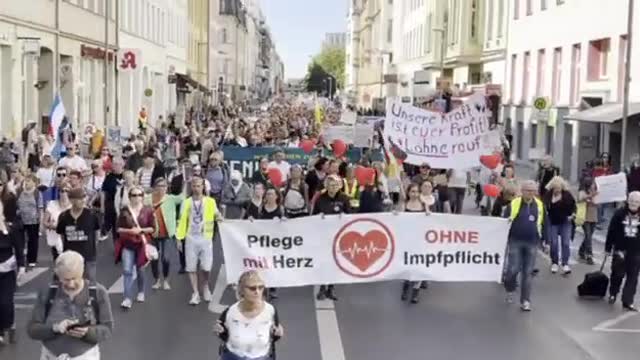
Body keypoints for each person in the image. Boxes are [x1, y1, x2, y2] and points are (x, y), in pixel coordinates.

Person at [27, 250, 114, 359]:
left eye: (74, 278)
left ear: (82, 272)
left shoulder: (98, 292)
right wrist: (55, 328)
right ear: (58, 275)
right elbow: (32, 329)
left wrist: (88, 332)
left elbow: (107, 328)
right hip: (50, 356)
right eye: (66, 280)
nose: (71, 284)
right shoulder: (47, 292)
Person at [214, 270, 284, 360]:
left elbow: (273, 336)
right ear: (242, 290)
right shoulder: (230, 312)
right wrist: (219, 331)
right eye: (252, 288)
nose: (257, 292)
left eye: (260, 287)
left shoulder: (270, 310)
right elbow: (223, 335)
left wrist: (278, 334)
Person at [176, 176, 219, 305]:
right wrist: (179, 238)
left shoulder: (210, 202)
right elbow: (182, 220)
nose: (196, 188)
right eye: (194, 186)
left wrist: (221, 217)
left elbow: (216, 215)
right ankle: (195, 293)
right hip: (191, 238)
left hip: (205, 238)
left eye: (199, 186)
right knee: (191, 267)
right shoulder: (187, 202)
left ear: (203, 187)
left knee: (206, 267)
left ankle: (205, 286)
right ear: (191, 187)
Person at [503, 180, 544, 312]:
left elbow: (544, 222)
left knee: (527, 273)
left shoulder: (539, 205)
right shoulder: (514, 204)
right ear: (522, 191)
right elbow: (504, 222)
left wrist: (546, 241)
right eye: (528, 190)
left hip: (532, 242)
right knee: (513, 270)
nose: (530, 193)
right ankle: (510, 287)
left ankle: (525, 300)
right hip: (515, 241)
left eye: (533, 191)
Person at [115, 186, 155, 309]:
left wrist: (141, 230)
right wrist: (130, 231)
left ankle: (141, 291)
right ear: (130, 197)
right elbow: (118, 228)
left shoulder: (148, 210)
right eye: (134, 195)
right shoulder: (124, 211)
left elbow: (152, 228)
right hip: (128, 244)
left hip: (142, 245)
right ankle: (127, 298)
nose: (137, 198)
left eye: (139, 195)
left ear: (142, 197)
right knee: (127, 271)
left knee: (140, 270)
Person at [312, 175, 351, 300]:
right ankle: (322, 288)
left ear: (339, 186)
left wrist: (344, 216)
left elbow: (350, 216)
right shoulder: (320, 199)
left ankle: (331, 288)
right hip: (324, 236)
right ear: (326, 186)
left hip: (339, 236)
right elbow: (313, 216)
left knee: (335, 262)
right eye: (330, 185)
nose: (333, 187)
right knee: (324, 262)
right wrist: (320, 217)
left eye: (335, 185)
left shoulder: (344, 198)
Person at [605, 191, 640, 311]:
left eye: (637, 202)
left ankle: (627, 301)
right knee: (617, 274)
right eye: (632, 201)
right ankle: (613, 293)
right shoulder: (619, 214)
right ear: (628, 201)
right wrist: (608, 248)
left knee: (633, 277)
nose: (634, 204)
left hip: (636, 251)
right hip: (620, 250)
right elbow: (611, 231)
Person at [147, 178, 183, 290]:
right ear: (155, 187)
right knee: (154, 258)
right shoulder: (148, 199)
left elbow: (183, 197)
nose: (162, 188)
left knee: (165, 258)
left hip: (167, 234)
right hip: (153, 233)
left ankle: (166, 280)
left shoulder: (171, 199)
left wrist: (186, 182)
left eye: (164, 186)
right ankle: (157, 280)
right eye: (160, 186)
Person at [56, 188, 100, 282]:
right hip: (70, 258)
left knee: (90, 284)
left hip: (88, 257)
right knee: (71, 283)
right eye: (80, 198)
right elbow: (62, 235)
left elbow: (97, 232)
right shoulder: (64, 216)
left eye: (84, 197)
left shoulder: (92, 215)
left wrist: (93, 247)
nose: (83, 200)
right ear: (71, 200)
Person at [399, 183, 430, 304]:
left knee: (419, 266)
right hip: (407, 241)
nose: (415, 194)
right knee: (408, 266)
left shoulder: (423, 205)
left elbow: (429, 221)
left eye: (416, 192)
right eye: (412, 191)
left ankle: (416, 292)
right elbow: (398, 221)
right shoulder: (404, 205)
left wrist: (428, 215)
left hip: (420, 240)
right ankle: (406, 288)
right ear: (408, 193)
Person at [0, 199, 25, 345]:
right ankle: (1, 331)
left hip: (7, 271)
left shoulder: (10, 229)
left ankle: (11, 325)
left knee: (5, 302)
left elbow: (19, 248)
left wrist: (21, 267)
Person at [543, 176, 576, 275]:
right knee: (553, 243)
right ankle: (555, 263)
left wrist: (573, 215)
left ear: (562, 187)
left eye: (559, 188)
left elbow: (574, 206)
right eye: (555, 188)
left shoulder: (567, 195)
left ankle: (565, 263)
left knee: (565, 243)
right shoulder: (548, 195)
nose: (557, 190)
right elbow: (544, 205)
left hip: (565, 222)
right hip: (553, 222)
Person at [16, 174, 44, 267]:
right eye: (26, 181)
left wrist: (41, 222)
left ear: (34, 182)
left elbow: (40, 208)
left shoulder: (37, 193)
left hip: (33, 221)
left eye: (29, 181)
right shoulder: (19, 191)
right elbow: (16, 204)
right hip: (21, 220)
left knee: (33, 240)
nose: (26, 182)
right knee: (19, 240)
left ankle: (32, 259)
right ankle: (20, 258)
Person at [44, 182, 71, 261]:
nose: (64, 193)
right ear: (59, 192)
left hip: (70, 239)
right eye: (62, 191)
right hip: (55, 238)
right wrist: (50, 226)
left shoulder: (73, 205)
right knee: (58, 264)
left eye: (67, 191)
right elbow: (45, 222)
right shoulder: (52, 204)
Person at [100, 157, 124, 241]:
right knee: (114, 228)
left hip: (123, 205)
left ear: (122, 165)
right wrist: (102, 206)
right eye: (114, 164)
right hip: (110, 205)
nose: (115, 166)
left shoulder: (126, 176)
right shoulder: (109, 177)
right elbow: (103, 192)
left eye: (117, 164)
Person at [577, 178, 598, 265]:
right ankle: (589, 255)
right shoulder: (582, 192)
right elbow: (580, 199)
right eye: (592, 183)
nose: (594, 185)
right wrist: (590, 195)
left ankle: (581, 250)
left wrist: (594, 196)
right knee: (588, 236)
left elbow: (597, 203)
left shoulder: (596, 192)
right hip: (585, 217)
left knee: (588, 237)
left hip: (593, 217)